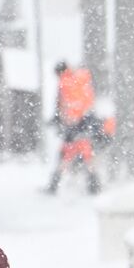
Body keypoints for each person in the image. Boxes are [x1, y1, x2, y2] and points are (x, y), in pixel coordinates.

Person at [43, 61, 101, 195]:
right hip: (87, 121)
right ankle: (94, 185)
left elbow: (66, 105)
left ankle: (54, 184)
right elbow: (87, 99)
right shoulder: (81, 76)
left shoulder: (65, 82)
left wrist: (63, 120)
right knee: (86, 154)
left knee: (66, 154)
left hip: (75, 124)